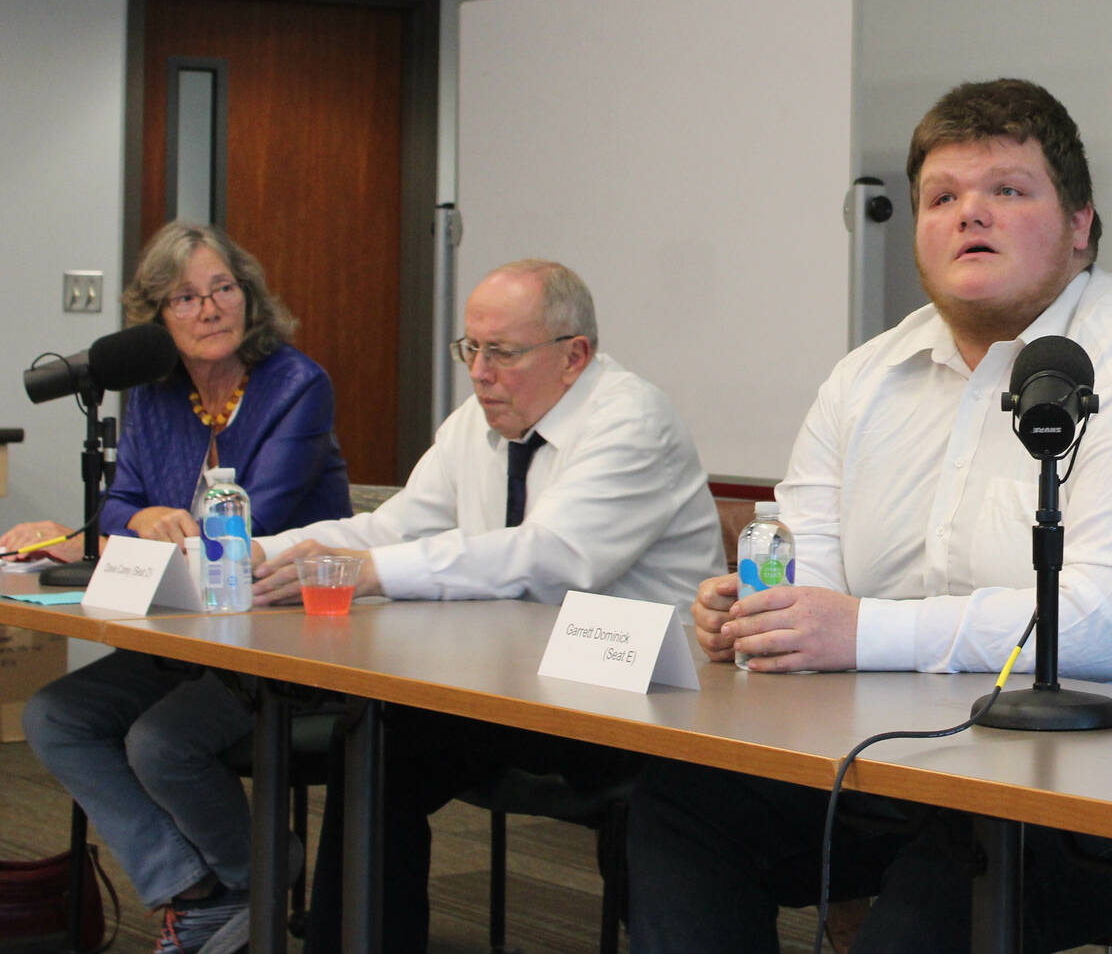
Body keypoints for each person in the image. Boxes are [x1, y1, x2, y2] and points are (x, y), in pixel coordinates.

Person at [627, 79, 1112, 954]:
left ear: (1080, 225)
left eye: (1007, 190)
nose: (969, 214)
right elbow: (815, 576)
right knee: (686, 804)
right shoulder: (865, 379)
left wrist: (857, 630)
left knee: (943, 890)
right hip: (944, 751)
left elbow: (1108, 626)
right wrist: (763, 614)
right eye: (942, 197)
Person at [250, 258, 725, 954]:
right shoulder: (476, 422)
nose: (478, 372)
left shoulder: (632, 419)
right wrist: (261, 551)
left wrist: (375, 572)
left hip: (638, 697)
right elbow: (391, 526)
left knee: (394, 734)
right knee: (377, 738)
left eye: (501, 351)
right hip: (514, 682)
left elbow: (550, 555)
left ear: (575, 355)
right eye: (470, 348)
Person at [6, 222, 350, 954]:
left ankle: (251, 878)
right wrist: (135, 518)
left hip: (282, 633)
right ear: (157, 316)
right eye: (184, 297)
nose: (208, 308)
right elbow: (123, 501)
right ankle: (205, 888)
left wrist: (159, 525)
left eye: (222, 288)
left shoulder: (298, 385)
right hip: (183, 628)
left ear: (247, 296)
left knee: (160, 740)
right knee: (53, 715)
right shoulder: (154, 395)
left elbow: (265, 516)